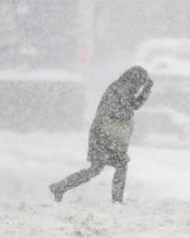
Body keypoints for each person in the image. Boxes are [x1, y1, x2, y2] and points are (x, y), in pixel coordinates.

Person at [50, 66, 154, 203]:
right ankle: (116, 200)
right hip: (104, 136)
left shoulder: (121, 88)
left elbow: (132, 106)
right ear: (135, 80)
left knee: (102, 168)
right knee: (109, 166)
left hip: (107, 135)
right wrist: (145, 92)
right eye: (140, 84)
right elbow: (128, 109)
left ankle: (60, 187)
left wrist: (146, 91)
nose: (139, 87)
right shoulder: (120, 89)